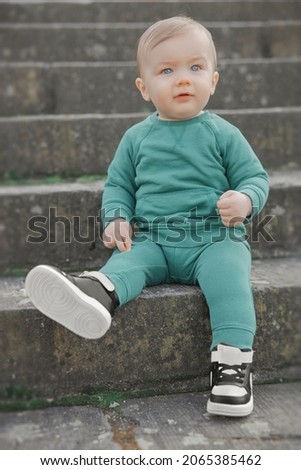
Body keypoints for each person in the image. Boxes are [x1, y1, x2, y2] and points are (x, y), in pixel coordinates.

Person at [25, 16, 269, 417]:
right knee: (128, 260)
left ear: (214, 80)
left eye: (195, 67)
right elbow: (119, 185)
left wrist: (244, 200)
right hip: (155, 239)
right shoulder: (136, 138)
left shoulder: (223, 133)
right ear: (144, 88)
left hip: (214, 238)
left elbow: (255, 178)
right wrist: (117, 217)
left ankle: (231, 366)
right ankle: (97, 293)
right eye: (167, 70)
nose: (183, 79)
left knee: (229, 283)